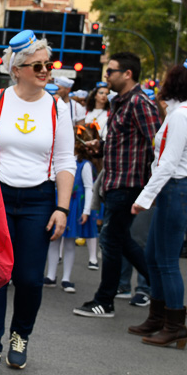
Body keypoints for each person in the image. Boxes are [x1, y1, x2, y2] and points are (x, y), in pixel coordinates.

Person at [0, 30, 75, 375]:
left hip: (39, 200)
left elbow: (65, 161)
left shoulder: (58, 109)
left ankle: (21, 335)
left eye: (49, 65)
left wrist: (61, 208)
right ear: (17, 69)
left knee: (30, 278)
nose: (46, 71)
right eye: (38, 66)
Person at [74, 52, 161, 318]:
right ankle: (162, 290)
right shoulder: (121, 103)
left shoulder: (139, 103)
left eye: (110, 71)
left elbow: (157, 143)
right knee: (120, 241)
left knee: (111, 241)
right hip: (114, 182)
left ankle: (105, 301)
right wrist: (99, 147)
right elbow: (124, 142)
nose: (106, 76)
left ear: (127, 74)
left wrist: (152, 187)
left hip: (128, 184)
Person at [128, 63, 187, 348]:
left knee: (165, 260)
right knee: (153, 256)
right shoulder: (178, 113)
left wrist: (143, 199)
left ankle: (174, 325)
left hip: (174, 188)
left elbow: (168, 164)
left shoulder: (181, 116)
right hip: (171, 190)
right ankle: (158, 317)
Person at [44, 123, 100, 293]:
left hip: (74, 206)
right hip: (57, 203)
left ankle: (66, 278)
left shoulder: (85, 165)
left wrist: (86, 211)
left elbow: (89, 187)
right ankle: (50, 275)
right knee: (54, 241)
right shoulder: (56, 160)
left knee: (69, 243)